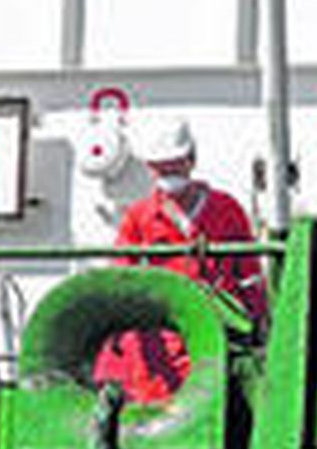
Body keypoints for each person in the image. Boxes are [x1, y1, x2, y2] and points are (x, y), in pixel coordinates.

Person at [92, 116, 267, 403]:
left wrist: (259, 318)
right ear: (150, 168)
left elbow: (249, 274)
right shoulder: (140, 218)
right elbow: (121, 278)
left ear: (191, 159)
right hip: (160, 343)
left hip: (219, 331)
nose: (169, 171)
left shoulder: (226, 209)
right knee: (159, 412)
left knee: (222, 407)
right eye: (162, 166)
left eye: (175, 163)